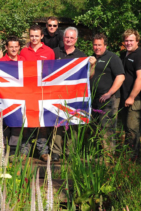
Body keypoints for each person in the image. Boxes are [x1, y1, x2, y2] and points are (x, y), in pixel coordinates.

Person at [51, 27, 88, 161]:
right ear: (63, 38)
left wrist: (92, 66)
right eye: (67, 37)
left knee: (74, 122)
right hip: (57, 94)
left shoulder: (82, 56)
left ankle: (70, 152)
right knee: (57, 123)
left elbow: (88, 76)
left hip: (74, 95)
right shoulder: (55, 53)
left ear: (76, 40)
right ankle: (56, 152)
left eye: (72, 38)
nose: (69, 40)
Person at [20, 25, 55, 162]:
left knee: (42, 121)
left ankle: (43, 151)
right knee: (26, 120)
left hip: (43, 91)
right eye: (32, 36)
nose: (34, 38)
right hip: (27, 91)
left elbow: (53, 71)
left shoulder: (49, 51)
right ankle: (24, 150)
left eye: (37, 36)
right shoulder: (23, 51)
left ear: (41, 36)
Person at [90, 33, 125, 161]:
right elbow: (89, 77)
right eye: (95, 44)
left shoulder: (113, 58)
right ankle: (98, 154)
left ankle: (108, 157)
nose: (97, 47)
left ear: (105, 45)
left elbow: (120, 77)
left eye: (99, 45)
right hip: (94, 99)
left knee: (107, 127)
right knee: (95, 127)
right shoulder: (92, 58)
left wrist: (109, 93)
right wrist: (92, 65)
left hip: (109, 98)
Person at [119, 29, 141, 160]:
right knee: (125, 129)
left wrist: (131, 97)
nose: (128, 43)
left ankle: (133, 158)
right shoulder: (124, 55)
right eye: (126, 40)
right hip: (124, 98)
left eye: (131, 40)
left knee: (132, 129)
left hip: (135, 99)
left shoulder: (140, 55)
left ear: (137, 41)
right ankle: (127, 156)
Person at [0, 35, 26, 156]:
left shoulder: (24, 60)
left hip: (20, 97)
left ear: (19, 47)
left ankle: (14, 150)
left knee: (17, 122)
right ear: (6, 47)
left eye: (16, 47)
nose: (14, 49)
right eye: (11, 47)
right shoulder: (1, 62)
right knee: (4, 123)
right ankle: (2, 149)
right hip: (5, 97)